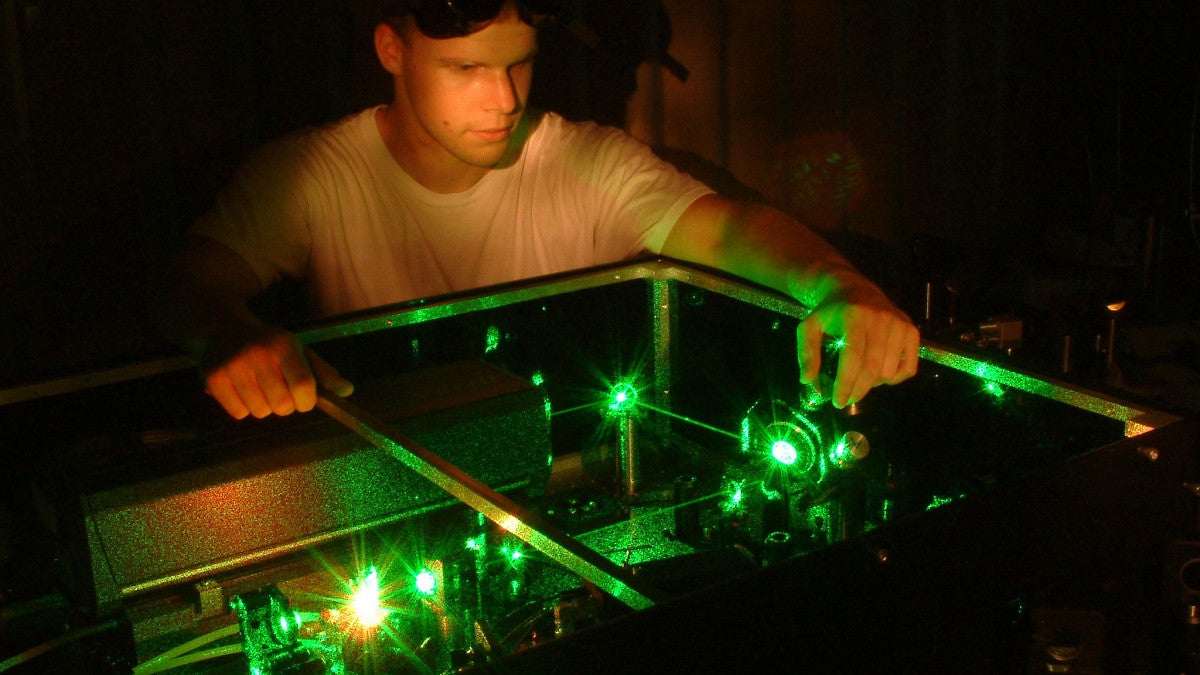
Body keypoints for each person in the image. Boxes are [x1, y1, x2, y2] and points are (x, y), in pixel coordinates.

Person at [153, 0, 919, 421]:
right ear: (392, 49)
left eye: (519, 62)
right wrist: (229, 332)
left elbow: (724, 224)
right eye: (466, 68)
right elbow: (191, 277)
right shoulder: (312, 173)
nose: (505, 99)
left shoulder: (581, 157)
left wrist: (841, 283)